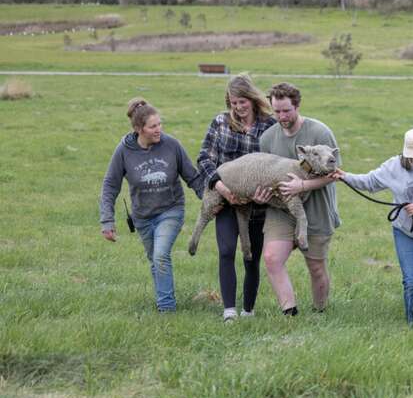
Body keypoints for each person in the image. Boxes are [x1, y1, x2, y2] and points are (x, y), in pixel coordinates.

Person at [332, 127, 413, 326]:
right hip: (404, 231)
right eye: (412, 156)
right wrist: (345, 176)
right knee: (410, 282)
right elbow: (370, 182)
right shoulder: (394, 166)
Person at [100, 97, 202, 312]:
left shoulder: (171, 144)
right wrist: (107, 221)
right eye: (152, 126)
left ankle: (166, 308)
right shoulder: (124, 151)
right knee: (155, 260)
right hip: (142, 216)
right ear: (139, 129)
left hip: (171, 210)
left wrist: (210, 201)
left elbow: (192, 176)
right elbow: (110, 185)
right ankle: (163, 300)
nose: (159, 129)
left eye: (159, 124)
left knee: (160, 255)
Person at [252, 82, 340, 315]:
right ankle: (290, 313)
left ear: (297, 106)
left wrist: (302, 185)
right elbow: (265, 173)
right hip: (281, 210)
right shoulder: (268, 138)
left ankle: (319, 311)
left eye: (286, 111)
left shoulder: (319, 132)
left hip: (316, 208)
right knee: (271, 258)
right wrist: (262, 197)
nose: (281, 116)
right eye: (276, 111)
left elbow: (335, 174)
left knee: (316, 266)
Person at [196, 73, 276, 322]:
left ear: (252, 99)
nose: (238, 108)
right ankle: (229, 311)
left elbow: (276, 165)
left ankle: (248, 310)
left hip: (257, 204)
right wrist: (220, 188)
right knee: (227, 250)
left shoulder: (269, 126)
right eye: (233, 103)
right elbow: (204, 158)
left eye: (242, 102)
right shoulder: (220, 122)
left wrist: (267, 195)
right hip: (227, 200)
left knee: (250, 257)